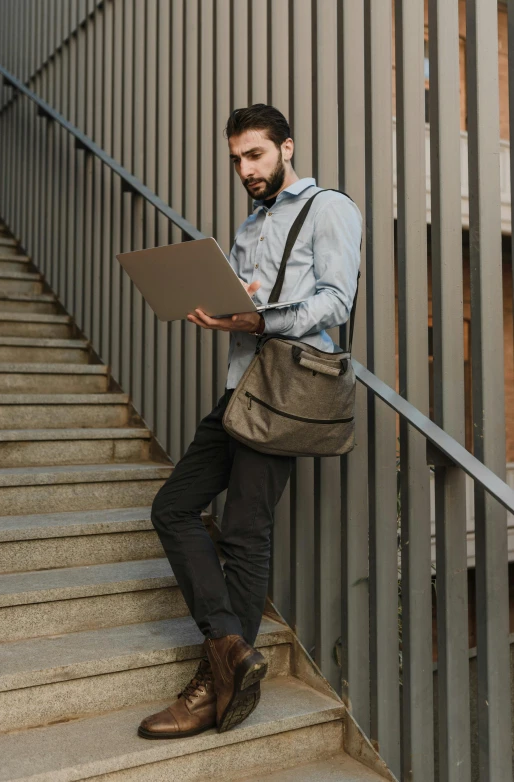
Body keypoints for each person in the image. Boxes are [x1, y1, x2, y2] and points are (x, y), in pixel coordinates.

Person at [138, 104, 362, 740]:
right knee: (174, 507)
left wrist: (260, 318)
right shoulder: (249, 223)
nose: (245, 168)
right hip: (240, 389)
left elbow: (335, 301)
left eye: (256, 155)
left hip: (283, 392)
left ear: (287, 148)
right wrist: (216, 304)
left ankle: (215, 684)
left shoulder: (330, 209)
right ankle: (234, 651)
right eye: (237, 158)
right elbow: (248, 296)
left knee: (243, 531)